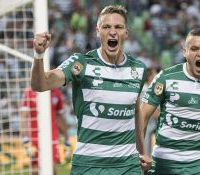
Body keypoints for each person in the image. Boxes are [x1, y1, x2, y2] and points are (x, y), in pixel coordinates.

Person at [31, 5, 151, 175]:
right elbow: (40, 84)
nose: (112, 32)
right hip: (89, 165)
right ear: (97, 31)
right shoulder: (81, 64)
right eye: (106, 27)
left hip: (128, 165)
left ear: (126, 32)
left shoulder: (138, 69)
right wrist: (38, 55)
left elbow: (136, 110)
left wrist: (141, 152)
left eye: (118, 27)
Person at [141, 28, 200, 175]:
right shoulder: (165, 78)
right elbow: (143, 116)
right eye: (194, 48)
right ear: (185, 51)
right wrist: (139, 153)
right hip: (164, 163)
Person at [20, 87, 69, 175]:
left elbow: (60, 117)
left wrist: (67, 138)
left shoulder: (56, 92)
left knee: (50, 166)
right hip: (34, 136)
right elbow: (24, 115)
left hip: (52, 136)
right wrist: (25, 139)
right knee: (35, 169)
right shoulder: (29, 92)